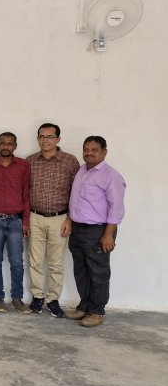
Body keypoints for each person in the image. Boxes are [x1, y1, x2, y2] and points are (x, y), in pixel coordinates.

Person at [65, 136, 126, 328]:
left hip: (98, 231)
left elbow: (116, 210)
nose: (89, 153)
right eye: (86, 149)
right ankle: (84, 306)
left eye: (94, 150)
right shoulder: (82, 171)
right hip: (78, 229)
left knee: (98, 272)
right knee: (81, 270)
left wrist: (108, 235)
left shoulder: (111, 176)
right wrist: (69, 219)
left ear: (104, 152)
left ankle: (97, 311)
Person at [26, 123, 80, 318]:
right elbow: (25, 191)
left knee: (56, 262)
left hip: (60, 218)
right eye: (42, 136)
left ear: (58, 139)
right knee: (35, 260)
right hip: (35, 217)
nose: (45, 140)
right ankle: (38, 297)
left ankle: (53, 299)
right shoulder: (30, 161)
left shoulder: (69, 161)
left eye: (50, 137)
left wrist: (70, 219)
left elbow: (77, 192)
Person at [0, 132, 31, 314]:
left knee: (17, 262)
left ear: (15, 146)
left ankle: (17, 298)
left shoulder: (23, 166)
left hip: (16, 221)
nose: (6, 147)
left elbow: (26, 194)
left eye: (10, 144)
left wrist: (26, 221)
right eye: (3, 143)